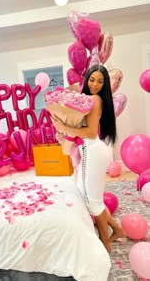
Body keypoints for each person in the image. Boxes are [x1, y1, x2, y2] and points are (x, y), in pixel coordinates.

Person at [52, 64, 125, 252]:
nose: (95, 84)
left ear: (105, 84)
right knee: (87, 195)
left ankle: (105, 245)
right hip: (92, 150)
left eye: (100, 81)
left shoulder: (94, 100)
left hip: (92, 150)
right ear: (86, 80)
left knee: (93, 200)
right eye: (92, 79)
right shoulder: (89, 100)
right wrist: (65, 132)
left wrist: (66, 127)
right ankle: (117, 230)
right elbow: (83, 133)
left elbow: (91, 133)